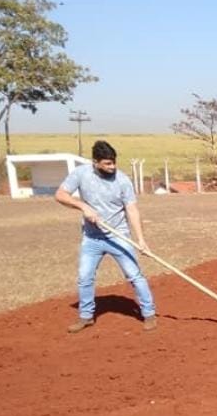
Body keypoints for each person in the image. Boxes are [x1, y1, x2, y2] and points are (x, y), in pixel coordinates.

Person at [54, 140, 157, 333]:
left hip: (119, 237)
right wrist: (83, 206)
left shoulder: (123, 180)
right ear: (95, 162)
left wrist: (141, 240)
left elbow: (132, 210)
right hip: (92, 238)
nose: (112, 167)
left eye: (114, 162)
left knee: (135, 275)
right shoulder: (81, 174)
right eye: (107, 163)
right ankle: (86, 317)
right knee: (85, 277)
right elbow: (60, 194)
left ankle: (149, 314)